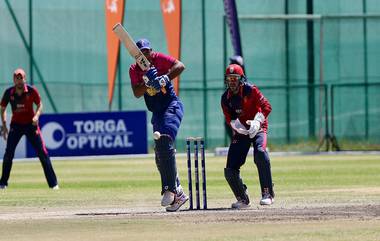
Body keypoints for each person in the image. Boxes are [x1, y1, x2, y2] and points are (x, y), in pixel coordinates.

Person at [129, 38, 187, 212]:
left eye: (146, 51)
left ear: (151, 51)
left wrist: (164, 78)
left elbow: (180, 66)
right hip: (157, 112)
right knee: (160, 156)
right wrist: (147, 84)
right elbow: (136, 93)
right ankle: (179, 194)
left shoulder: (159, 58)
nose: (144, 55)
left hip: (172, 106)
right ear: (136, 55)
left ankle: (168, 189)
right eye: (140, 53)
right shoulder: (134, 69)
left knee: (164, 141)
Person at [221, 64, 275, 209]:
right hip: (242, 131)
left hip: (258, 127)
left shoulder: (251, 90)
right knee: (230, 168)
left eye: (235, 78)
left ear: (241, 79)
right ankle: (243, 199)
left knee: (261, 153)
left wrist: (257, 121)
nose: (232, 82)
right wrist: (239, 128)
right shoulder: (225, 98)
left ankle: (267, 193)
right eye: (229, 79)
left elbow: (267, 107)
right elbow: (230, 119)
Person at [0, 68, 59, 189]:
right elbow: (2, 108)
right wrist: (5, 125)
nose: (19, 80)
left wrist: (36, 116)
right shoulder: (9, 92)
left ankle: (53, 184)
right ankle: (3, 183)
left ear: (24, 79)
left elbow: (40, 104)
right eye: (17, 78)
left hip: (31, 125)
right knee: (8, 154)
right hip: (16, 125)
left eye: (21, 78)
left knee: (42, 153)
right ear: (14, 80)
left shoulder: (32, 91)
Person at [224, 55, 245, 142]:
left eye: (234, 62)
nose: (231, 64)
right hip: (233, 104)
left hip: (242, 107)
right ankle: (235, 141)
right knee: (228, 122)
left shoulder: (241, 77)